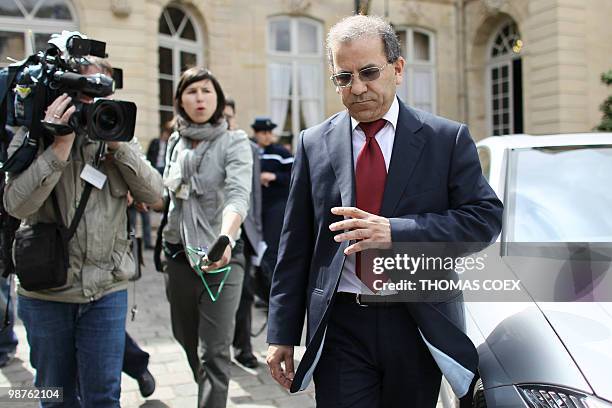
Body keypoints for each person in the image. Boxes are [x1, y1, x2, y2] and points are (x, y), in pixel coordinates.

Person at [266, 15, 503, 408]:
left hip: (416, 322)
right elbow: (295, 247)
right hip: (341, 326)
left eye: (369, 72)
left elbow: (483, 220)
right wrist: (281, 333)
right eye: (343, 77)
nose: (357, 88)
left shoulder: (446, 139)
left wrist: (397, 231)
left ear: (398, 69)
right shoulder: (313, 143)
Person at [3, 56, 162, 406]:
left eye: (100, 93)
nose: (90, 104)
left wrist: (119, 146)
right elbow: (16, 205)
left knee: (103, 396)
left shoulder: (116, 133)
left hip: (106, 291)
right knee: (55, 395)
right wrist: (57, 148)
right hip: (46, 296)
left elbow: (155, 194)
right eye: (82, 92)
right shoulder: (34, 136)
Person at [161, 67, 252, 408]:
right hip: (177, 256)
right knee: (185, 339)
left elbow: (238, 195)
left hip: (222, 258)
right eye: (192, 91)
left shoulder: (235, 141)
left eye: (206, 91)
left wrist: (226, 237)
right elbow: (168, 195)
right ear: (180, 100)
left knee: (214, 351)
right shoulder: (175, 141)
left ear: (217, 98)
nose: (200, 98)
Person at [227, 100, 263, 369]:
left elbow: (255, 194)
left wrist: (257, 232)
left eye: (229, 116)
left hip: (244, 234)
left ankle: (243, 348)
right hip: (209, 235)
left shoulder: (250, 148)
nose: (226, 121)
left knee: (245, 295)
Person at [251, 118, 293, 303]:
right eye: (263, 132)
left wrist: (274, 176)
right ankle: (261, 291)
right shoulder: (249, 150)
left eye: (270, 132)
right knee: (256, 250)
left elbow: (295, 175)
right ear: (256, 133)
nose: (268, 136)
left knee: (271, 249)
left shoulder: (281, 152)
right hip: (254, 207)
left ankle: (273, 293)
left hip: (277, 205)